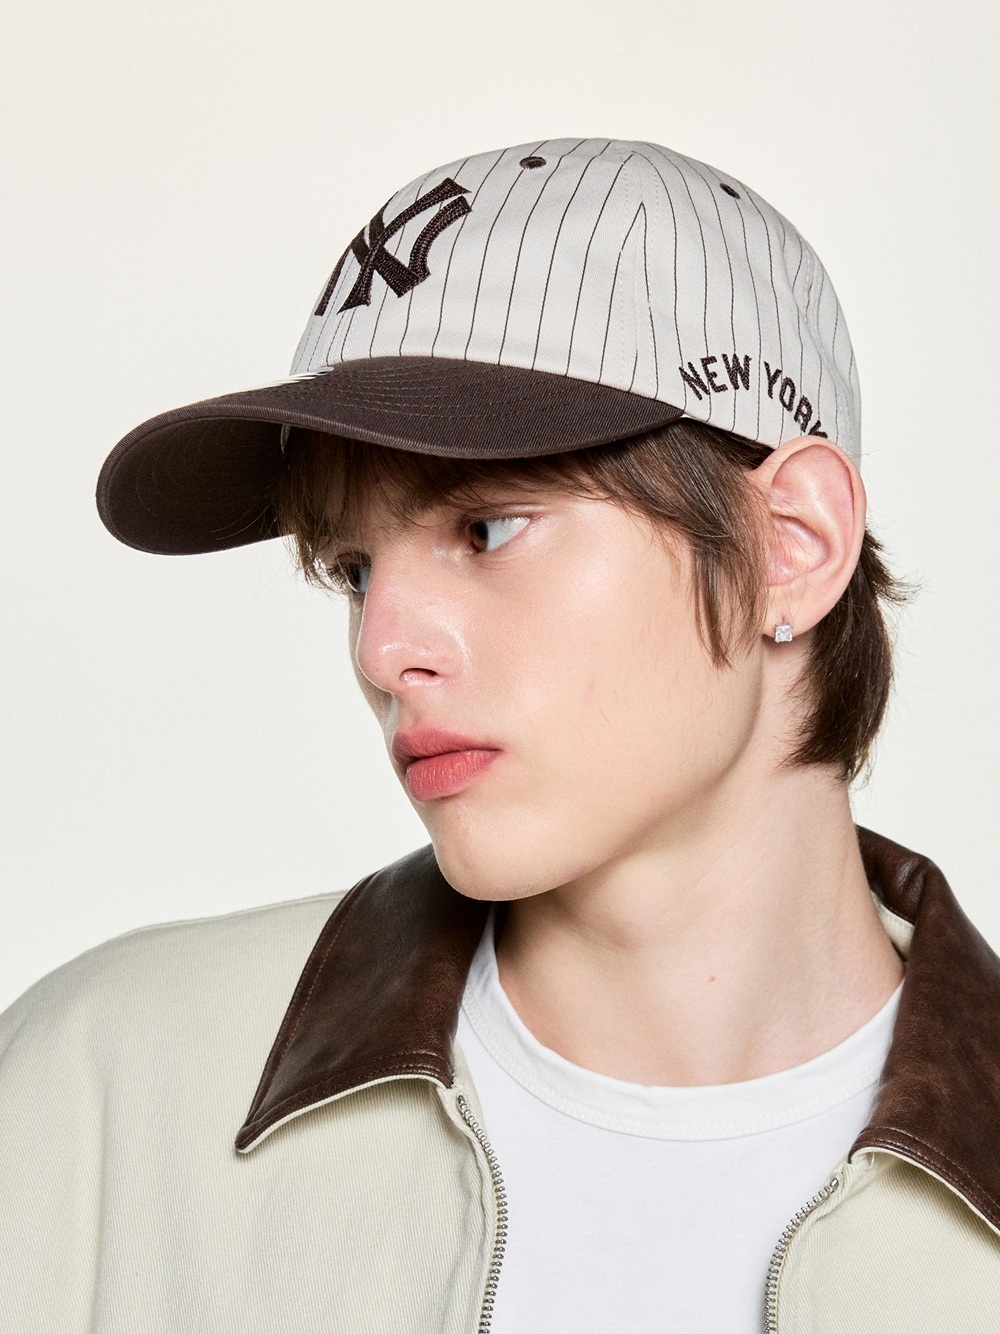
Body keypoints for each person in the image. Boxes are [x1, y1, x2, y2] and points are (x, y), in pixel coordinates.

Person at [2, 137, 998, 1334]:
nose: (384, 648)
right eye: (353, 568)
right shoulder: (100, 1092)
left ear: (792, 541)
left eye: (485, 529)